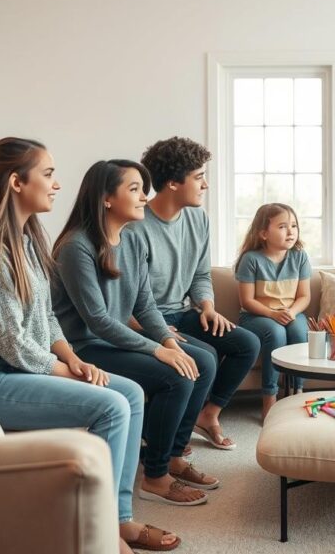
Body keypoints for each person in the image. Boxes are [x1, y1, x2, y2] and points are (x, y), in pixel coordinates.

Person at [0, 139, 177, 552]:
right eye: (48, 174)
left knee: (131, 392)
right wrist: (65, 371)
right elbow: (12, 341)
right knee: (110, 404)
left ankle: (118, 517)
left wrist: (71, 356)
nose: (56, 184)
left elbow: (46, 316)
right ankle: (100, 528)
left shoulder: (29, 240)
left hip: (19, 365)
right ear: (16, 182)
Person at [53, 159, 218, 507]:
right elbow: (97, 319)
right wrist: (158, 351)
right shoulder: (76, 246)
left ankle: (172, 456)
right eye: (134, 189)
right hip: (85, 347)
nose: (145, 197)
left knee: (200, 361)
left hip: (112, 340)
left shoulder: (132, 241)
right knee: (177, 378)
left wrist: (171, 343)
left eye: (143, 189)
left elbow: (145, 307)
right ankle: (155, 477)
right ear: (106, 198)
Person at [131, 136, 260, 450]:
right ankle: (171, 439)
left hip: (183, 311)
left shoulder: (198, 218)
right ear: (174, 183)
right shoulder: (136, 225)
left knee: (247, 343)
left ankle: (209, 414)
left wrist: (207, 306)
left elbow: (201, 274)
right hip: (150, 320)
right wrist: (157, 330)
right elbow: (133, 297)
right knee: (207, 358)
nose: (206, 185)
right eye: (199, 177)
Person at [234, 203, 312, 419]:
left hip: (290, 312)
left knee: (298, 331)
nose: (290, 232)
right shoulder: (251, 259)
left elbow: (304, 296)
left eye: (294, 226)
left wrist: (292, 312)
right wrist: (273, 314)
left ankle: (297, 392)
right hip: (257, 316)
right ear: (263, 233)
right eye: (282, 226)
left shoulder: (300, 256)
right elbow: (247, 301)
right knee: (276, 332)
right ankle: (269, 397)